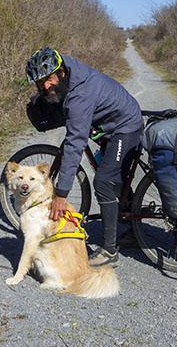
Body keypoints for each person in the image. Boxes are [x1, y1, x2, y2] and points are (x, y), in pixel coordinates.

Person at [25, 47, 142, 267]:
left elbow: (75, 144)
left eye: (48, 79)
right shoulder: (67, 69)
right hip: (110, 122)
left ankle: (109, 250)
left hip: (125, 126)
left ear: (60, 72)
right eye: (39, 83)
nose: (45, 86)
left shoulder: (79, 95)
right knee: (115, 175)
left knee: (103, 181)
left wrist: (61, 194)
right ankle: (134, 229)